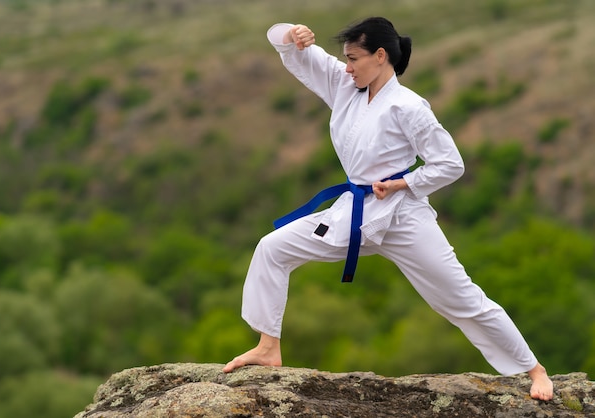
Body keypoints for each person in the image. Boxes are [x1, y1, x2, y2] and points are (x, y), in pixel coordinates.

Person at [222, 17, 554, 401]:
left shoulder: (409, 106)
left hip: (403, 218)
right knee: (272, 248)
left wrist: (404, 182)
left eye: (353, 58)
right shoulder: (345, 86)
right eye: (344, 59)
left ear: (380, 56)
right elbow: (283, 44)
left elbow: (450, 163)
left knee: (460, 298)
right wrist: (293, 32)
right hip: (354, 213)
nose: (346, 66)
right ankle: (267, 347)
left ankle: (534, 369)